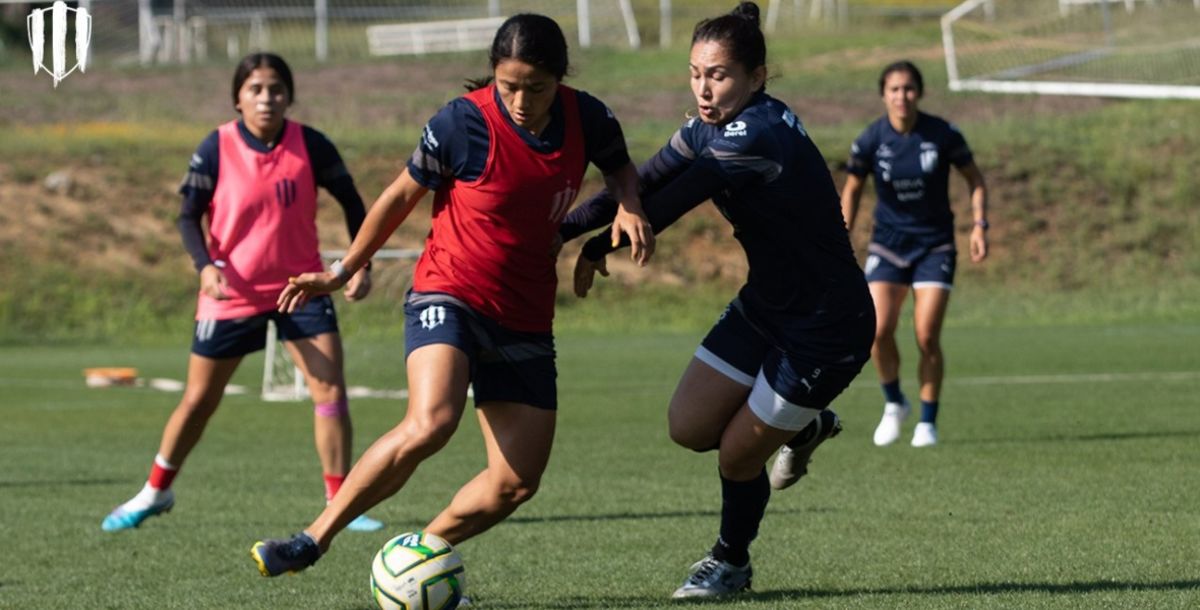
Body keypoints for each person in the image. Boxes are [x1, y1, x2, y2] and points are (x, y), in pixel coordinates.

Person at [250, 14, 652, 585]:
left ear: (559, 80)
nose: (519, 100)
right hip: (450, 291)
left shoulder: (587, 115)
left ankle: (416, 558)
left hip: (526, 316)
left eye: (535, 88)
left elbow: (621, 172)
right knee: (433, 420)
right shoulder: (463, 123)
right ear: (493, 74)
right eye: (507, 85)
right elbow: (398, 196)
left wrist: (630, 203)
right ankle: (314, 538)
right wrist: (342, 270)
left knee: (515, 484)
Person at [563, 2, 874, 598]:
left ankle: (730, 564)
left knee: (736, 456)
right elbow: (645, 179)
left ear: (757, 77)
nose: (705, 89)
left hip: (826, 325)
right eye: (695, 73)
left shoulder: (757, 132)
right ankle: (802, 426)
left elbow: (671, 202)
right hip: (765, 305)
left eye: (720, 75)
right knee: (688, 426)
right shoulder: (708, 126)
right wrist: (559, 233)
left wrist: (597, 245)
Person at [100, 53, 383, 534]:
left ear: (289, 96)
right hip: (231, 293)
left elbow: (356, 205)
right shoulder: (216, 147)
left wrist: (358, 265)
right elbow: (188, 217)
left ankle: (338, 501)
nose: (266, 98)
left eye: (276, 89)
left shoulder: (311, 145)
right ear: (238, 98)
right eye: (255, 89)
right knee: (198, 400)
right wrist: (205, 267)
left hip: (302, 288)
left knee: (330, 391)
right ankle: (155, 491)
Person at [841, 60, 989, 448]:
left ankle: (927, 421)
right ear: (884, 94)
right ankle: (894, 404)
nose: (902, 96)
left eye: (908, 88)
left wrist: (979, 226)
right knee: (877, 330)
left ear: (919, 93)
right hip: (888, 245)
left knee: (926, 335)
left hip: (934, 245)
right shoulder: (871, 139)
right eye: (894, 89)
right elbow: (852, 188)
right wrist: (841, 236)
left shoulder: (941, 134)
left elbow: (975, 179)